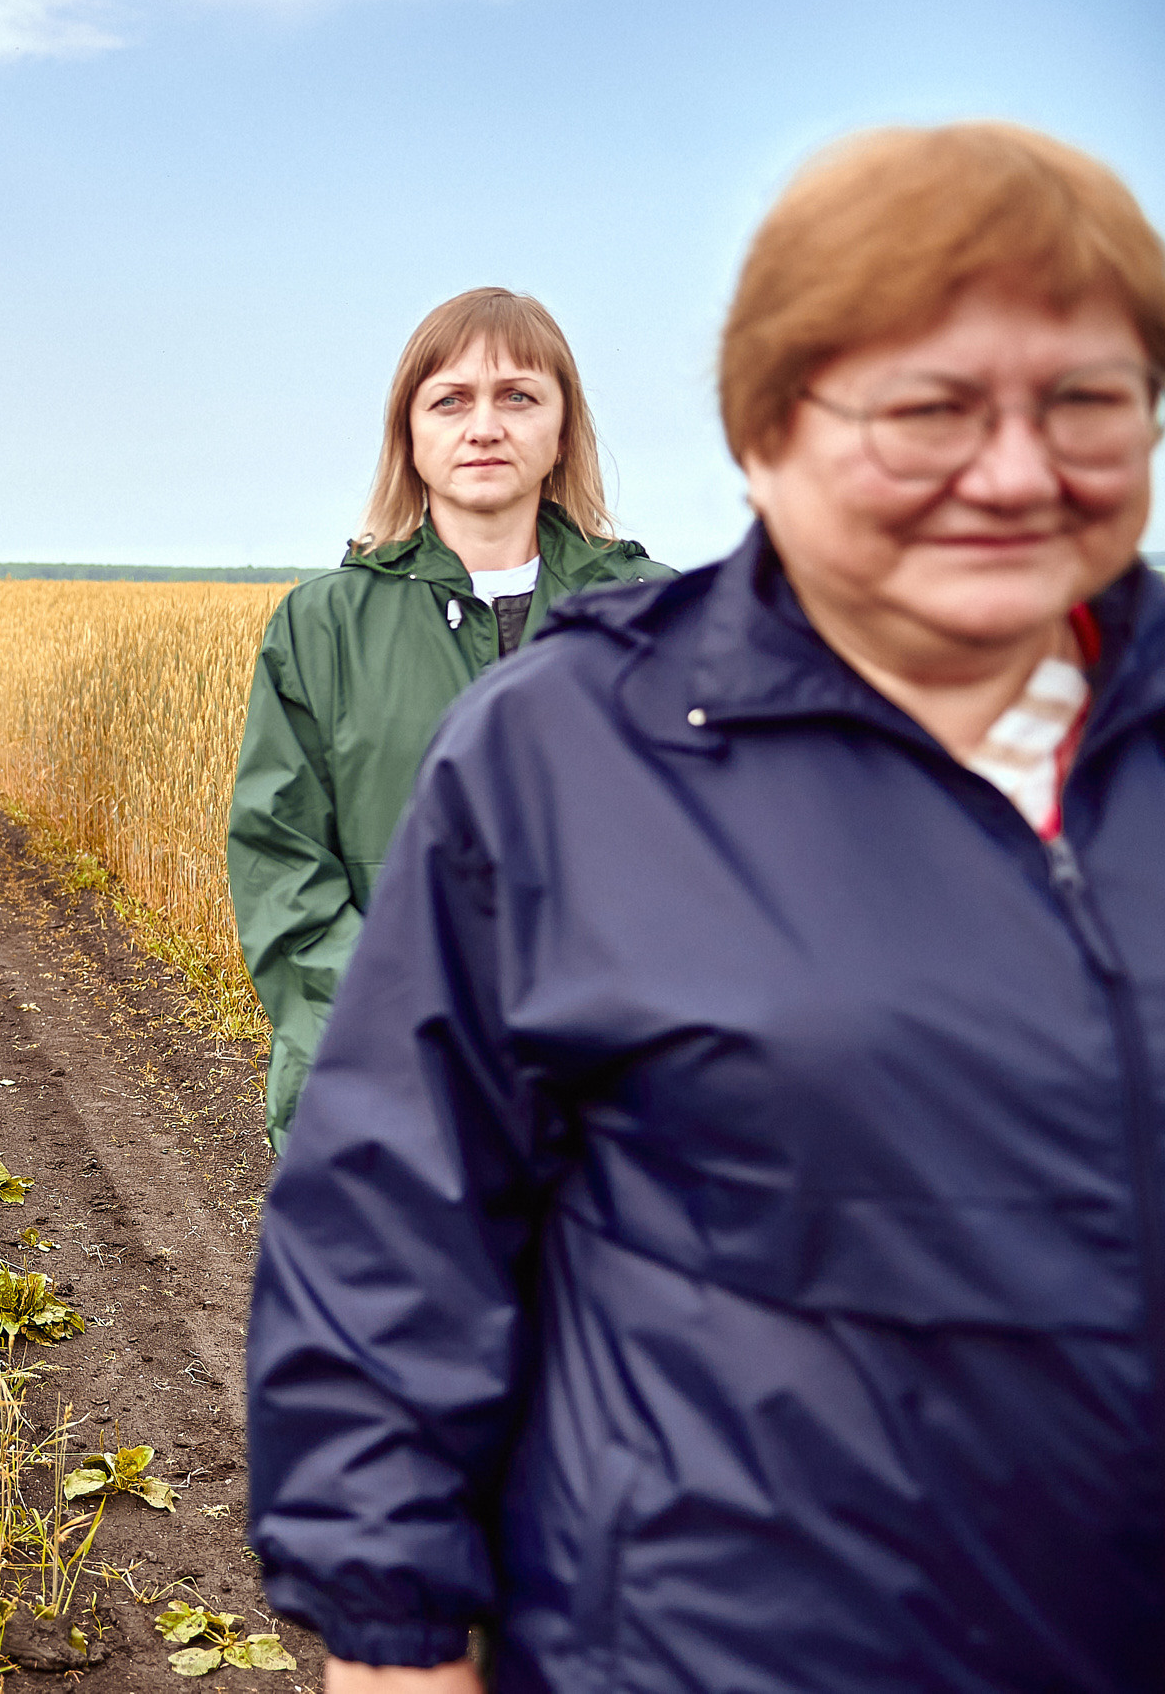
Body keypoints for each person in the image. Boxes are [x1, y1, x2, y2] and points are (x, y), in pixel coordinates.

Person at [248, 122, 1165, 1693]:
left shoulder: (616, 591)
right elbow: (299, 911)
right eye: (928, 406)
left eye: (1086, 397)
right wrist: (397, 1637)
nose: (1013, 468)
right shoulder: (553, 720)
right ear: (771, 426)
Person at [226, 288, 672, 1149]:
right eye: (451, 399)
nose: (484, 426)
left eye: (518, 396)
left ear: (561, 429)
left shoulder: (655, 616)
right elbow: (281, 865)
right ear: (411, 433)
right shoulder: (322, 627)